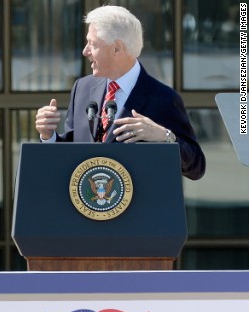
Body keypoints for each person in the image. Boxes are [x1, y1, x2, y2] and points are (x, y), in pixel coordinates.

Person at [34, 5, 206, 181]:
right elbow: (71, 152)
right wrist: (48, 136)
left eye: (92, 44)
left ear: (116, 48)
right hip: (86, 203)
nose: (85, 51)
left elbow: (196, 167)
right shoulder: (82, 88)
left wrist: (164, 136)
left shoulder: (163, 98)